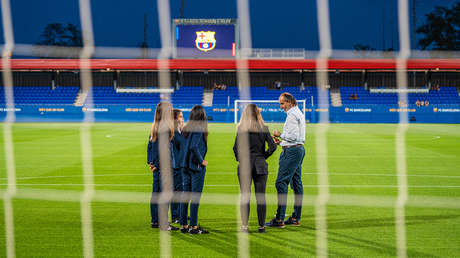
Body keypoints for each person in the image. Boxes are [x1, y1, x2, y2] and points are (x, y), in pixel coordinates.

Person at [233, 104, 277, 233]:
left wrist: (241, 159)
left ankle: (245, 227)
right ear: (258, 113)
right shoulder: (263, 128)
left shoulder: (241, 128)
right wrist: (263, 157)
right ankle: (261, 226)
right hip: (260, 165)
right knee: (261, 196)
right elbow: (273, 147)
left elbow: (236, 148)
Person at [267, 92, 306, 228]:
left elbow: (294, 136)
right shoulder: (298, 112)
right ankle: (296, 217)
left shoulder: (291, 115)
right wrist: (282, 142)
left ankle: (279, 219)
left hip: (292, 152)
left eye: (282, 103)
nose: (281, 107)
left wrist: (280, 135)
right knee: (296, 184)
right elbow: (296, 137)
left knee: (280, 183)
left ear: (289, 102)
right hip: (298, 149)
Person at [147, 102, 179, 231]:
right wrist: (158, 165)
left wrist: (151, 162)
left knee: (156, 194)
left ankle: (155, 221)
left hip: (157, 167)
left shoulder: (155, 126)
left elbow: (150, 147)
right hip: (164, 167)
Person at [179, 105, 210, 234]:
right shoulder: (199, 128)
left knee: (185, 196)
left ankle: (184, 225)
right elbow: (193, 146)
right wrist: (201, 160)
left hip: (185, 166)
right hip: (195, 168)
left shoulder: (187, 128)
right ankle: (194, 227)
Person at [171, 109, 186, 224]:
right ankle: (176, 216)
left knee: (180, 190)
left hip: (181, 164)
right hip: (176, 165)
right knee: (176, 191)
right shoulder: (173, 132)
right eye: (180, 116)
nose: (182, 118)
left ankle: (180, 214)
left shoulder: (178, 130)